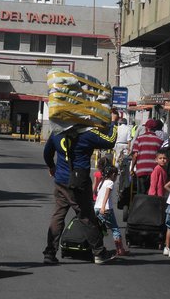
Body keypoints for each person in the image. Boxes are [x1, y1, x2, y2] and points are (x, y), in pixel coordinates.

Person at [42, 112, 119, 265]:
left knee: (58, 215)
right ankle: (99, 253)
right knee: (86, 216)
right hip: (79, 182)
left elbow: (47, 153)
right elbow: (110, 141)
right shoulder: (87, 135)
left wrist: (52, 166)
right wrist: (113, 124)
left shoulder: (57, 132)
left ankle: (50, 253)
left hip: (61, 180)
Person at [95, 164, 130, 256]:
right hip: (105, 209)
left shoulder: (102, 182)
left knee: (99, 229)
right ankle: (120, 250)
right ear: (113, 174)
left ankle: (98, 247)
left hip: (96, 208)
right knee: (115, 229)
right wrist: (103, 207)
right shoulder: (110, 182)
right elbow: (106, 195)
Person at [130, 119, 164, 194]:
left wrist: (132, 168)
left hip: (142, 170)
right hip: (154, 171)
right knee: (151, 192)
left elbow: (135, 155)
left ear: (146, 128)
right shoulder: (159, 141)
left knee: (141, 193)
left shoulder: (139, 139)